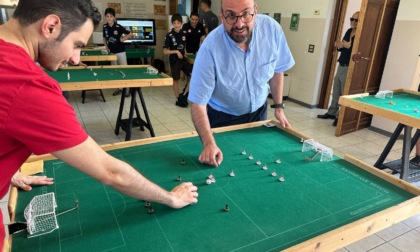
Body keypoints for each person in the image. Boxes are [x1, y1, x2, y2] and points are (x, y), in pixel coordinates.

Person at [0, 0, 198, 248]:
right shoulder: (27, 84)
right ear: (50, 26)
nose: (75, 59)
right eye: (76, 45)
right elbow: (111, 172)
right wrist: (171, 197)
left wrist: (8, 169)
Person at [188, 0, 295, 167]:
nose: (239, 24)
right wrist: (209, 143)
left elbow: (277, 69)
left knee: (255, 163)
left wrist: (278, 107)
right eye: (231, 15)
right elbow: (198, 103)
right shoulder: (210, 48)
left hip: (259, 113)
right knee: (228, 168)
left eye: (246, 14)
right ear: (222, 16)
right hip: (223, 118)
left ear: (255, 11)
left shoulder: (272, 30)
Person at [317, 11, 360, 126]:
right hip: (341, 64)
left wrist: (350, 47)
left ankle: (339, 117)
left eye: (356, 20)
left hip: (350, 67)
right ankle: (331, 112)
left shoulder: (361, 35)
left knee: (343, 93)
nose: (353, 22)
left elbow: (358, 53)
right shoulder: (349, 31)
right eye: (352, 19)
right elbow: (343, 46)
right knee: (335, 90)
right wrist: (339, 45)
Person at [164, 14, 193, 108]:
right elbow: (165, 51)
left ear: (181, 23)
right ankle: (178, 98)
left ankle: (184, 94)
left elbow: (184, 46)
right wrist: (176, 51)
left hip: (183, 60)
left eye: (178, 23)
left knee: (193, 75)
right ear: (172, 23)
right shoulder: (169, 35)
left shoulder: (184, 33)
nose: (176, 25)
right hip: (174, 61)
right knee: (175, 80)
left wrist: (185, 53)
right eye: (174, 23)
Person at [103, 7, 132, 97]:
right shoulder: (105, 27)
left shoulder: (118, 27)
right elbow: (104, 38)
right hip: (112, 53)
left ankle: (127, 89)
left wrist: (123, 39)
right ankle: (118, 88)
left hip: (121, 52)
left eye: (111, 16)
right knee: (115, 71)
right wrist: (107, 47)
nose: (109, 18)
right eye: (107, 16)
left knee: (124, 69)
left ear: (114, 18)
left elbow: (130, 33)